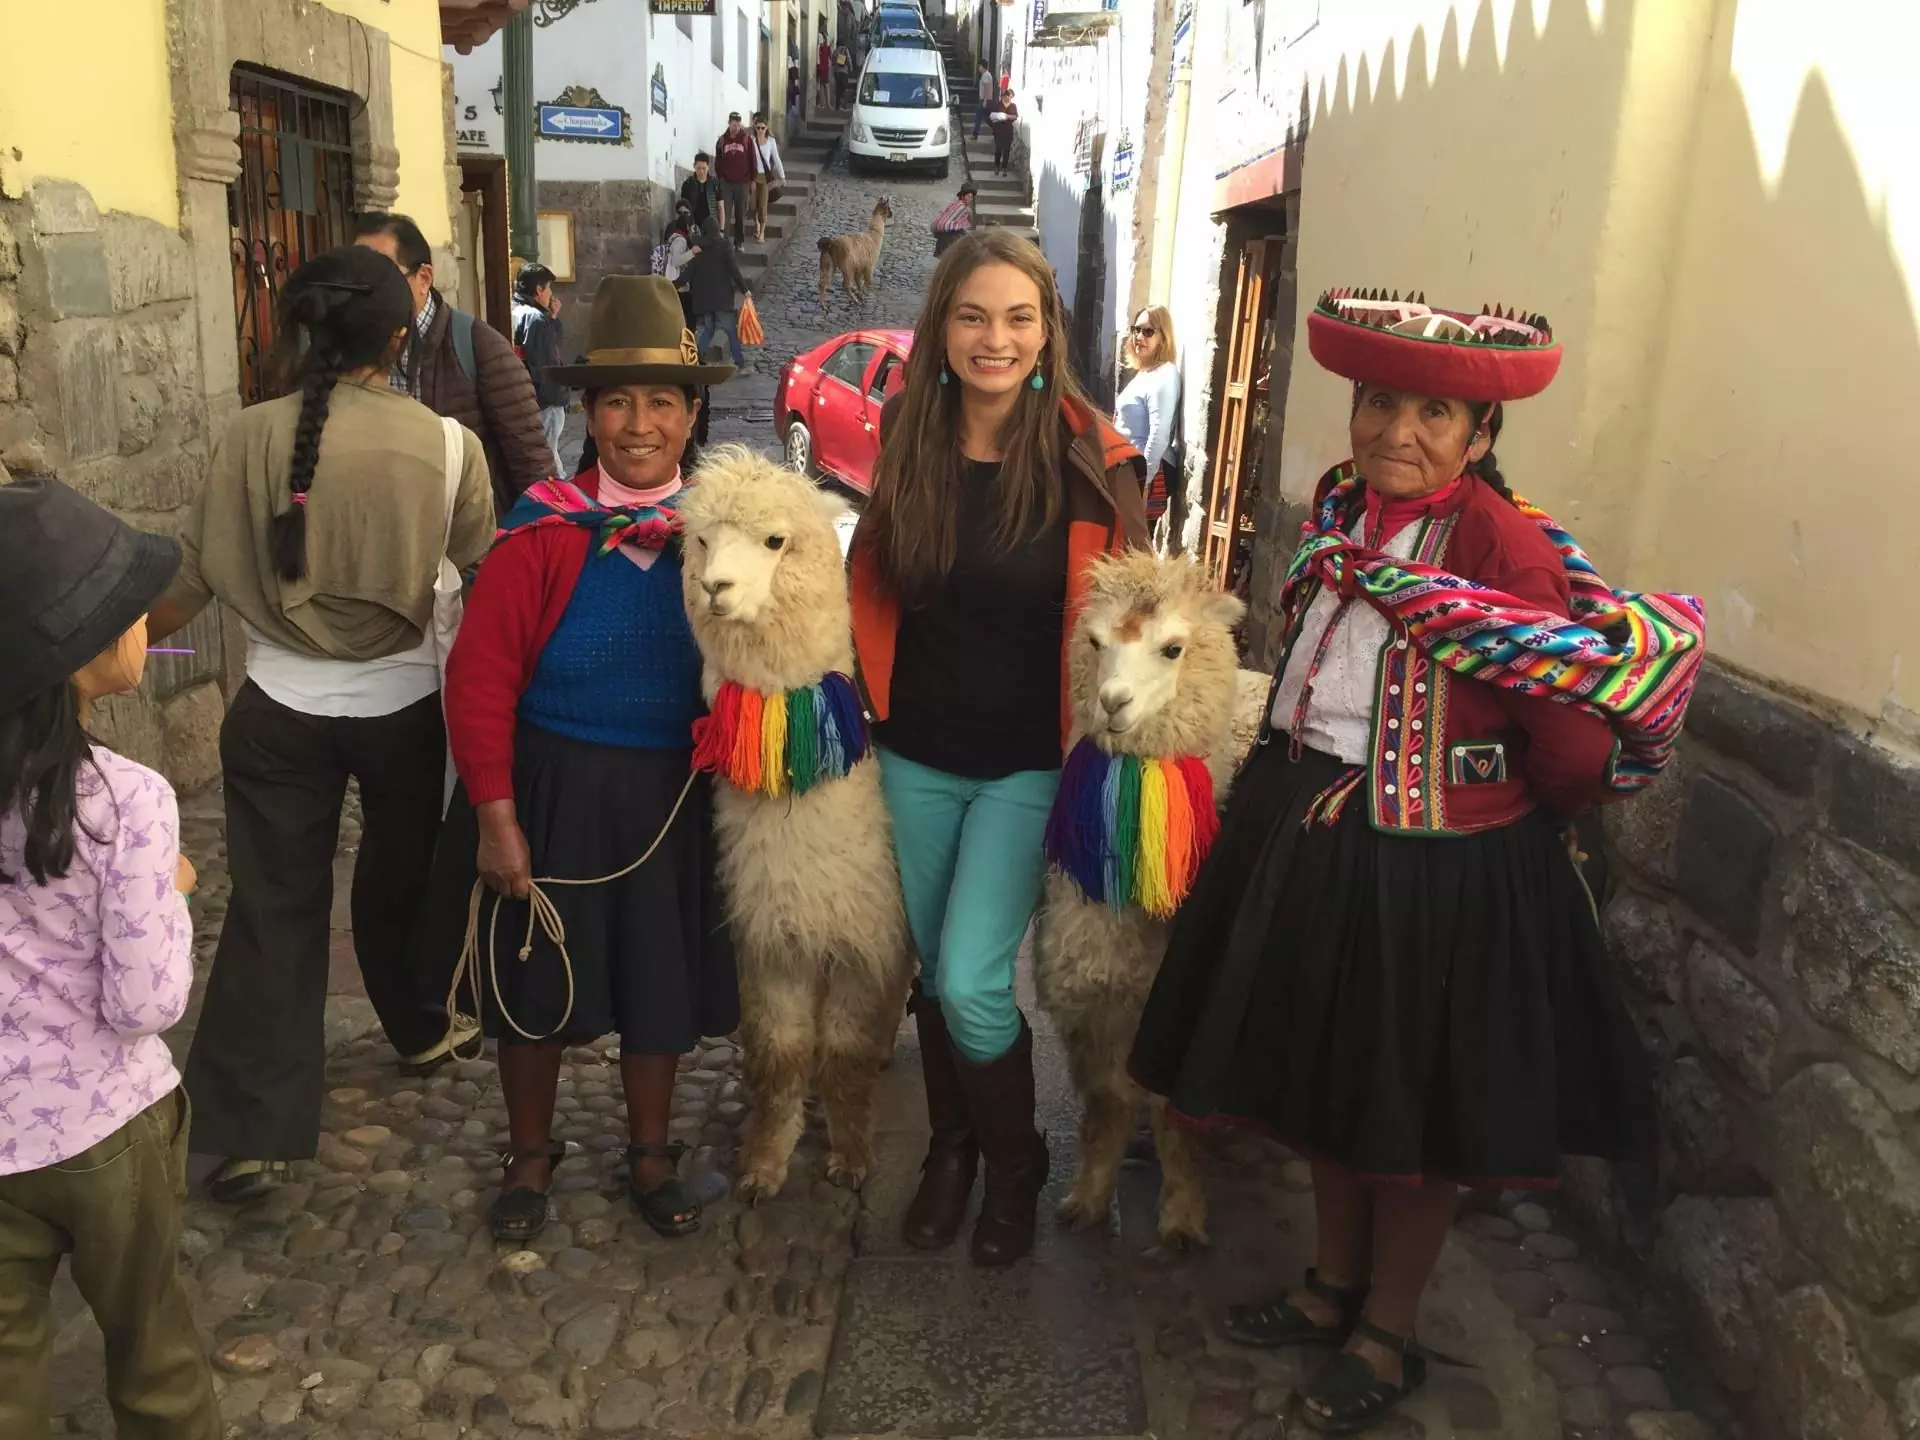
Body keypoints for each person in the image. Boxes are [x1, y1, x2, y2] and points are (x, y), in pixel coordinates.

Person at [1130, 291, 1697, 1432]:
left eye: (1434, 412)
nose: (1398, 429)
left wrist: (1494, 814)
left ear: (1481, 436)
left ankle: (1388, 1333)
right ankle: (1331, 1286)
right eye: (1380, 400)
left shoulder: (1501, 546)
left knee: (1416, 1112)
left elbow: (1575, 734)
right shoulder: (1349, 514)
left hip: (1439, 866)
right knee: (1332, 1082)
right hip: (1319, 832)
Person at [149, 245, 495, 1202]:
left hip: (277, 713)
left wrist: (106, 655)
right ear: (400, 334)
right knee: (401, 881)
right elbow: (485, 570)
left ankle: (252, 1133)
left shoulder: (247, 436)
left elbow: (190, 573)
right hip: (405, 712)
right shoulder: (447, 445)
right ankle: (422, 1027)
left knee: (272, 909)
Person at [850, 229, 1150, 1267]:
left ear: (1046, 333)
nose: (996, 338)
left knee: (975, 976)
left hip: (1032, 761)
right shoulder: (907, 436)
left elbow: (1136, 620)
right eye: (974, 315)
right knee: (935, 973)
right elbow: (873, 586)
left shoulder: (1093, 461)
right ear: (942, 327)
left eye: (1019, 317)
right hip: (914, 752)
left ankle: (1014, 1162)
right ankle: (950, 1154)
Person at [422, 276, 739, 1244]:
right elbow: (479, 682)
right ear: (588, 412)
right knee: (533, 977)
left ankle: (651, 1153)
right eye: (615, 402)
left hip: (674, 793)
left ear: (692, 413)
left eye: (660, 402)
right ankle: (530, 1154)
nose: (638, 425)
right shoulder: (543, 532)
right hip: (557, 782)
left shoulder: (727, 538)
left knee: (659, 979)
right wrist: (496, 814)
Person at [0, 476, 220, 1438]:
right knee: (153, 1352)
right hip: (103, 1132)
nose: (147, 622)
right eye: (130, 611)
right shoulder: (127, 802)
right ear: (80, 648)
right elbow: (147, 1000)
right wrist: (167, 892)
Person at [354, 213, 552, 516]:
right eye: (357, 279)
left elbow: (531, 463)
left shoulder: (479, 346)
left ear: (424, 278)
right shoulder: (352, 348)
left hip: (468, 546)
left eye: (381, 276)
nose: (367, 291)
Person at [1115, 304, 1181, 521]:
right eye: (1136, 330)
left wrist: (1146, 484)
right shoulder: (1146, 373)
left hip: (1144, 471)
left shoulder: (1165, 374)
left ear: (1163, 337)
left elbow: (1159, 434)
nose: (1139, 337)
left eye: (1148, 331)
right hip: (1129, 469)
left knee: (1131, 544)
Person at [513, 262, 570, 477]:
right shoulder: (535, 319)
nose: (550, 295)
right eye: (548, 289)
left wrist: (552, 317)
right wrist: (558, 397)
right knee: (548, 455)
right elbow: (547, 363)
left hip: (529, 396)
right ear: (538, 290)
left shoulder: (517, 311)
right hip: (545, 399)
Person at [687, 221, 752, 372]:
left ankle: (697, 358)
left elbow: (690, 272)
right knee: (730, 331)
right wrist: (744, 289)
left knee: (709, 329)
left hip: (705, 298)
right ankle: (740, 364)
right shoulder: (724, 246)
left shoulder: (698, 247)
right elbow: (733, 270)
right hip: (722, 298)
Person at [714, 113, 756, 248]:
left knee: (740, 213)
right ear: (729, 123)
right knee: (725, 213)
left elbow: (752, 159)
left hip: (742, 182)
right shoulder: (722, 141)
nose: (736, 127)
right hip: (726, 182)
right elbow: (718, 160)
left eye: (738, 125)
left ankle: (739, 241)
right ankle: (725, 242)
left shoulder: (746, 139)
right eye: (733, 125)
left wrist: (752, 179)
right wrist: (720, 177)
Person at [750, 116, 786, 246]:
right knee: (752, 204)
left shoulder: (770, 141)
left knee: (763, 205)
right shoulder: (751, 141)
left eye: (762, 128)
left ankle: (762, 232)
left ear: (767, 128)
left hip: (765, 177)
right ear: (755, 128)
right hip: (753, 176)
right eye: (758, 128)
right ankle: (756, 223)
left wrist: (782, 176)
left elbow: (776, 158)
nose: (760, 130)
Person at [662, 202, 700, 324]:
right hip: (678, 283)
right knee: (688, 318)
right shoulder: (680, 240)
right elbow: (676, 261)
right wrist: (692, 253)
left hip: (677, 282)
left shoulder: (676, 237)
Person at [679, 154, 723, 236]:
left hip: (711, 225)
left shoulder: (715, 183)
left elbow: (720, 207)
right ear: (694, 166)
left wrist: (721, 230)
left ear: (708, 167)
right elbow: (683, 208)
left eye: (704, 168)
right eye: (698, 168)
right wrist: (688, 226)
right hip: (693, 226)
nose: (701, 172)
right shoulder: (688, 184)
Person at [931, 184, 977, 256]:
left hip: (944, 236)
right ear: (962, 197)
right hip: (950, 238)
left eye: (971, 197)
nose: (970, 199)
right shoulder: (963, 208)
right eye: (968, 196)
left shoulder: (955, 204)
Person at [989, 87, 1020, 176]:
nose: (1008, 98)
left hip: (1008, 131)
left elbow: (1015, 116)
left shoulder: (1013, 106)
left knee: (1007, 150)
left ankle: (1004, 168)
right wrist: (998, 117)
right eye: (1007, 95)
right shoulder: (998, 105)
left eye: (1010, 96)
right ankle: (996, 166)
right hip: (998, 131)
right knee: (998, 149)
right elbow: (991, 116)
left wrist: (1007, 116)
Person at [973, 60, 995, 140]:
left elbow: (986, 88)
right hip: (986, 99)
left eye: (979, 66)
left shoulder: (985, 75)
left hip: (984, 99)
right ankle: (996, 130)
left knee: (978, 117)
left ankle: (975, 134)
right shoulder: (987, 75)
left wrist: (985, 100)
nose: (978, 68)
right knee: (987, 117)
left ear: (982, 66)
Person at [833, 42, 854, 110]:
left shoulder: (835, 51)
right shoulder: (845, 49)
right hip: (844, 72)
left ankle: (837, 106)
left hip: (837, 72)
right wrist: (850, 67)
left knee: (838, 89)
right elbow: (848, 59)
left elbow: (832, 60)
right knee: (845, 88)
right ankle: (844, 103)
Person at [816, 37, 833, 110]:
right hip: (821, 69)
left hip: (824, 69)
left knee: (824, 86)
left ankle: (826, 104)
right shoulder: (819, 48)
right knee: (823, 86)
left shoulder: (825, 48)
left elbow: (830, 56)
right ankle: (824, 104)